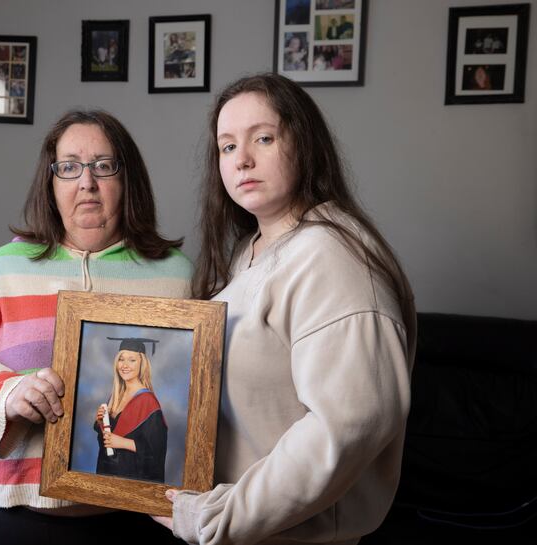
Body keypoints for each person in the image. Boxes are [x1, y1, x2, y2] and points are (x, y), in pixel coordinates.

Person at [152, 73, 417, 544]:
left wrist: (217, 517)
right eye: (228, 147)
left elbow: (348, 425)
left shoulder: (330, 257)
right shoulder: (253, 247)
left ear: (304, 144)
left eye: (264, 138)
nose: (243, 160)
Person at [0, 109, 191, 545]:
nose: (87, 182)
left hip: (139, 515)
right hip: (18, 511)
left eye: (104, 165)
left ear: (127, 178)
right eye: (69, 167)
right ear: (51, 181)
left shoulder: (176, 275)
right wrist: (8, 393)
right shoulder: (2, 269)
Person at [95, 338, 167, 482]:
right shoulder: (115, 397)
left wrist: (122, 443)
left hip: (132, 479)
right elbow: (107, 441)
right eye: (121, 359)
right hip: (107, 475)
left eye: (132, 360)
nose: (125, 365)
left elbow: (156, 451)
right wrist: (101, 420)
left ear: (142, 364)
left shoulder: (148, 402)